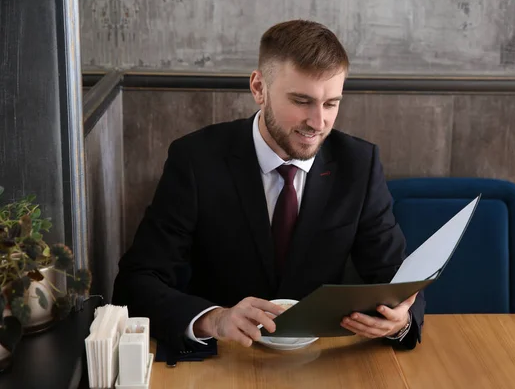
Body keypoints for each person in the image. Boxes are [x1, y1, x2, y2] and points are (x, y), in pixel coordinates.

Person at [113, 19, 425, 352]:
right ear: (259, 88)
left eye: (331, 103)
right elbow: (136, 283)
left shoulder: (358, 165)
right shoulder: (195, 160)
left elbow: (398, 280)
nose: (318, 123)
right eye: (302, 101)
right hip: (226, 357)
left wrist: (400, 322)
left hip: (319, 361)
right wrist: (213, 319)